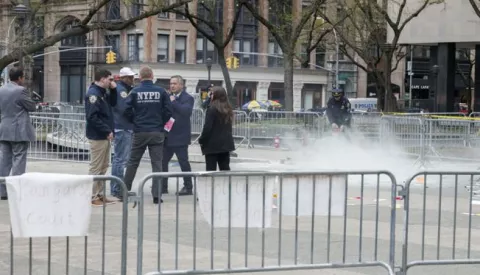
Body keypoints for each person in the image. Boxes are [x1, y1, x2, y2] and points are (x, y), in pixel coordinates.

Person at [123, 66, 172, 204]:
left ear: (140, 77)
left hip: (140, 131)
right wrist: (161, 122)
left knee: (132, 162)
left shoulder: (135, 91)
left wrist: (135, 120)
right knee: (157, 163)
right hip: (156, 131)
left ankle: (125, 191)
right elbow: (169, 110)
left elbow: (125, 110)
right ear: (152, 75)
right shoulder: (161, 91)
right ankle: (157, 195)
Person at [0, 67, 36, 200]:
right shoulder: (21, 91)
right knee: (19, 160)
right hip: (19, 130)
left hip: (4, 129)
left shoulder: (1, 89)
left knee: (4, 161)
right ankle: (15, 190)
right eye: (23, 77)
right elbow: (31, 106)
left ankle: (2, 191)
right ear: (20, 78)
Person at [85, 69, 118, 206]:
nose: (112, 82)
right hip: (98, 135)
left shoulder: (102, 93)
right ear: (102, 79)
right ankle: (92, 196)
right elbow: (92, 117)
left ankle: (99, 194)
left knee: (103, 166)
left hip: (104, 135)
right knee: (96, 167)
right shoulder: (93, 94)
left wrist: (114, 90)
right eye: (110, 79)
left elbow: (114, 104)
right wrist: (106, 130)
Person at [162, 75, 194, 196]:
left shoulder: (188, 98)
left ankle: (188, 187)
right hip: (168, 135)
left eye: (175, 83)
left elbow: (186, 112)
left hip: (180, 136)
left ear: (181, 85)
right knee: (162, 161)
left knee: (183, 162)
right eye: (171, 83)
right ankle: (163, 186)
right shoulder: (168, 97)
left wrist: (173, 101)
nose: (172, 86)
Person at [110, 67, 136, 199]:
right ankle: (117, 189)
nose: (133, 79)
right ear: (124, 78)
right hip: (123, 127)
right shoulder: (122, 90)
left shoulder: (123, 89)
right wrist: (136, 118)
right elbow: (124, 108)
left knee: (119, 159)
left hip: (122, 127)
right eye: (130, 77)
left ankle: (117, 188)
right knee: (120, 160)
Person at [198, 86, 235, 171]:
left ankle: (212, 185)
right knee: (225, 169)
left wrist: (202, 140)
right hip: (225, 144)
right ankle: (226, 185)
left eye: (211, 94)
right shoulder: (228, 108)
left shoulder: (212, 109)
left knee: (211, 170)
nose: (210, 95)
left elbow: (207, 127)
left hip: (212, 145)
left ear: (216, 95)